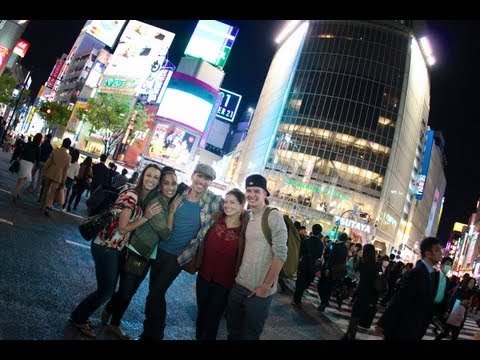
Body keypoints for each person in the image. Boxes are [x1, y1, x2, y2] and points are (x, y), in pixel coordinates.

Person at [69, 164, 163, 338]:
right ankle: (78, 318)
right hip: (106, 247)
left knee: (104, 288)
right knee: (106, 290)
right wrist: (146, 217)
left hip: (109, 246)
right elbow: (122, 227)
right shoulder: (132, 196)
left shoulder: (138, 196)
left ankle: (79, 316)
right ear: (142, 176)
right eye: (149, 175)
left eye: (155, 177)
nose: (151, 180)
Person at [139, 163, 223, 340]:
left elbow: (235, 210)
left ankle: (154, 334)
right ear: (193, 176)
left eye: (207, 179)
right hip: (158, 249)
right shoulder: (180, 192)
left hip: (178, 256)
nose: (202, 181)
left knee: (156, 293)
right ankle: (150, 331)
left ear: (211, 182)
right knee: (153, 292)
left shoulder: (214, 201)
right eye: (199, 176)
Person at [101, 166, 178, 340]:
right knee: (128, 290)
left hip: (146, 254)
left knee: (130, 290)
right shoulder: (158, 203)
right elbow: (165, 234)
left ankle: (111, 309)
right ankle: (114, 322)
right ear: (160, 185)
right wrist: (172, 212)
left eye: (173, 183)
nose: (170, 187)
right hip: (137, 251)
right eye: (166, 183)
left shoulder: (164, 201)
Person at [226, 174, 288, 340]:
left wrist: (265, 287)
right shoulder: (248, 215)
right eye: (248, 190)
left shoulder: (273, 216)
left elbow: (281, 254)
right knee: (232, 332)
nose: (251, 194)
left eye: (256, 191)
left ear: (265, 193)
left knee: (249, 336)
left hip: (259, 291)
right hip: (239, 285)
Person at [195, 188, 248, 340]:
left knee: (213, 320)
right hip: (204, 277)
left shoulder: (244, 231)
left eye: (232, 202)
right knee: (201, 315)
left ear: (241, 206)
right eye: (226, 201)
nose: (227, 205)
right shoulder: (214, 220)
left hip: (224, 284)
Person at [375, 237, 443, 340]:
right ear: (428, 253)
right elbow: (400, 298)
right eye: (437, 250)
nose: (440, 253)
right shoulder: (417, 273)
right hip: (401, 328)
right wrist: (383, 322)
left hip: (413, 328)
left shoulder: (431, 274)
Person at [342, 244, 380, 340]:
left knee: (355, 315)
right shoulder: (377, 266)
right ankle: (348, 335)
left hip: (360, 292)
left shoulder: (362, 263)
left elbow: (356, 271)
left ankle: (350, 336)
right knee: (357, 316)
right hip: (370, 295)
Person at [292, 223, 324, 308]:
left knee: (300, 281)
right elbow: (319, 256)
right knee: (306, 281)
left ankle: (296, 299)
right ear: (320, 232)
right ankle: (300, 296)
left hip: (304, 263)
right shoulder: (321, 244)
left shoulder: (306, 240)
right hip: (313, 265)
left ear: (312, 231)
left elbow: (300, 252)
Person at [317, 232, 349, 312]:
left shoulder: (335, 245)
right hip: (337, 271)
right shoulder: (345, 249)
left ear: (339, 237)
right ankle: (325, 302)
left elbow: (331, 258)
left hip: (330, 269)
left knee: (322, 285)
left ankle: (323, 302)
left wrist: (327, 268)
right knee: (330, 287)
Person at [39, 138, 72, 217]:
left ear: (63, 143)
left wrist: (43, 171)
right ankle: (48, 206)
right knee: (53, 193)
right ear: (69, 146)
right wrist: (63, 181)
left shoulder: (55, 151)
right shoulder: (68, 157)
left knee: (45, 188)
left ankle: (42, 204)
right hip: (58, 175)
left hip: (50, 172)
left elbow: (48, 162)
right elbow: (65, 171)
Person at [11, 133, 42, 203]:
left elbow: (22, 150)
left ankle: (17, 193)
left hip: (22, 161)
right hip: (29, 163)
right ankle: (15, 194)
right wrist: (37, 163)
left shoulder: (29, 143)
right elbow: (38, 157)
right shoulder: (38, 147)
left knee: (20, 178)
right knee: (23, 180)